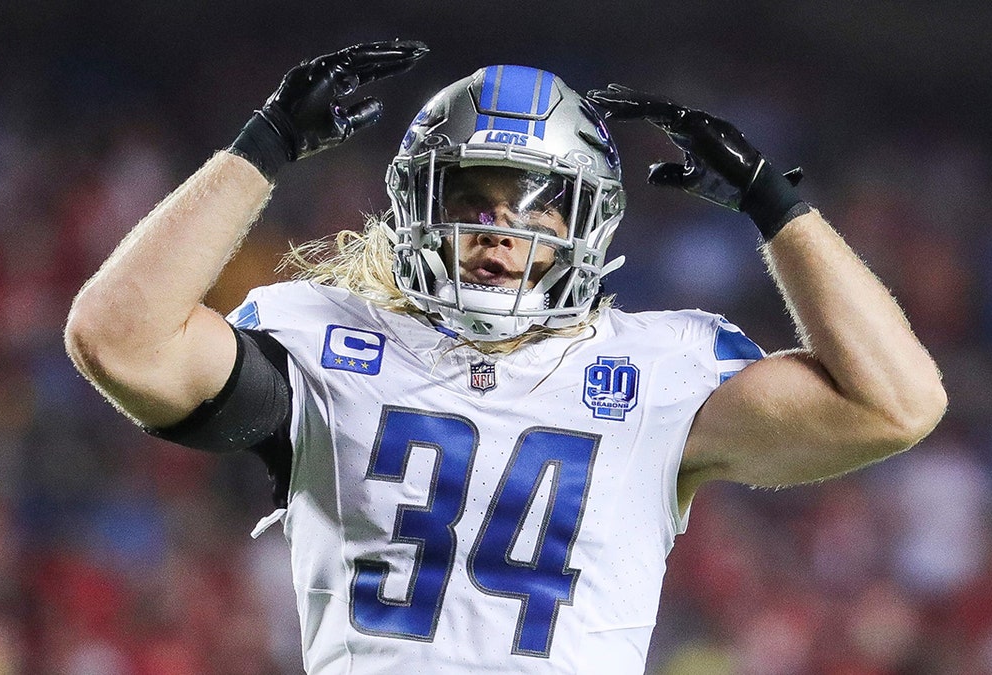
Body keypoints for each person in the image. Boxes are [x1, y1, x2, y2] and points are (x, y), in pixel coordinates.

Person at [64, 40, 947, 674]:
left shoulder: (657, 372)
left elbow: (897, 403)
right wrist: (263, 147)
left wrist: (774, 203)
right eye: (473, 196)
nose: (499, 228)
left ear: (587, 226)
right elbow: (116, 337)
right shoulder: (331, 348)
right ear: (418, 204)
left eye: (536, 206)